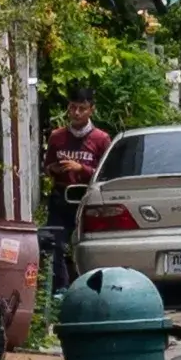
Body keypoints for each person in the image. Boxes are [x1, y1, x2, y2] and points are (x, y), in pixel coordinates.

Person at [44, 86, 112, 289]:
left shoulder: (101, 139)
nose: (76, 113)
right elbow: (46, 168)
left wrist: (80, 168)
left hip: (87, 199)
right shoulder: (57, 137)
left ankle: (90, 288)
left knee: (86, 246)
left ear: (91, 109)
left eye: (82, 108)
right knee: (56, 244)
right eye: (73, 108)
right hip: (61, 197)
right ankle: (60, 290)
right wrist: (56, 168)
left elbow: (106, 174)